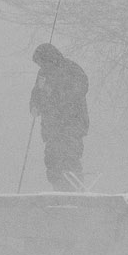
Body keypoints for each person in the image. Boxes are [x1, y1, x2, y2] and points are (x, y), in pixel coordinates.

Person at [30, 43, 89, 191]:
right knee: (52, 160)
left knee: (69, 158)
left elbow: (78, 92)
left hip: (71, 124)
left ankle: (75, 192)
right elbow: (36, 93)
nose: (41, 66)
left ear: (49, 58)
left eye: (42, 62)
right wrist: (34, 105)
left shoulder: (72, 70)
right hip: (51, 127)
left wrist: (52, 92)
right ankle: (58, 191)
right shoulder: (43, 74)